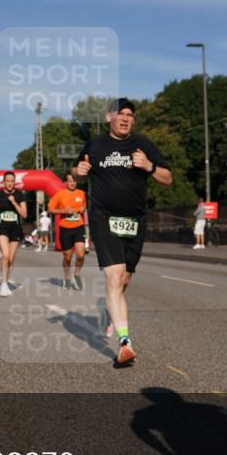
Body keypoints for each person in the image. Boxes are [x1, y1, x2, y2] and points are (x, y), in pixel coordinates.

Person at [74, 97, 171, 366]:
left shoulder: (143, 145)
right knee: (114, 277)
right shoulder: (95, 144)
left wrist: (149, 167)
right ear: (109, 117)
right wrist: (79, 171)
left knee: (124, 280)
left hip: (135, 221)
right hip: (103, 218)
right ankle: (125, 342)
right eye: (120, 113)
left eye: (130, 114)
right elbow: (76, 169)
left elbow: (167, 178)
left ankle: (111, 312)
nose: (126, 118)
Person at [48, 172, 88, 289]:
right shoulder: (60, 194)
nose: (72, 183)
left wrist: (83, 208)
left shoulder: (81, 193)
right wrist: (64, 211)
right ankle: (66, 277)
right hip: (65, 228)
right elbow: (50, 209)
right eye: (70, 181)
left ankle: (77, 275)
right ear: (65, 183)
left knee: (80, 255)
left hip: (78, 227)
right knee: (67, 257)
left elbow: (84, 206)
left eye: (74, 181)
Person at [0, 171, 27, 297]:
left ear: (14, 182)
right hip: (2, 227)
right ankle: (4, 284)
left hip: (15, 228)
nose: (10, 183)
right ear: (4, 181)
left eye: (12, 181)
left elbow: (24, 214)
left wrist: (14, 202)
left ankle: (4, 276)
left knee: (11, 259)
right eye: (7, 181)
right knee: (5, 255)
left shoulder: (19, 194)